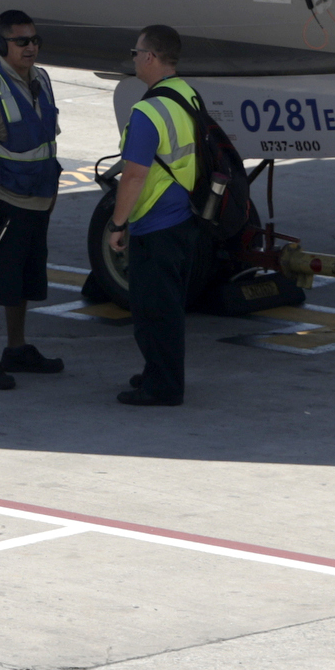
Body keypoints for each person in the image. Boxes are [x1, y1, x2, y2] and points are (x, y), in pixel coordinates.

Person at [0, 10, 63, 390]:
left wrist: (51, 191)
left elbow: (47, 139)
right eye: (22, 41)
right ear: (1, 45)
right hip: (2, 203)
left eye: (35, 40)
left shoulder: (42, 79)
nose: (31, 47)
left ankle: (17, 350)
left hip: (36, 200)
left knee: (21, 280)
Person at [110, 24, 202, 407]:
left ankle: (163, 386)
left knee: (153, 310)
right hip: (183, 217)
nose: (133, 58)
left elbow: (133, 176)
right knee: (167, 307)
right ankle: (157, 371)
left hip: (154, 222)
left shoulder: (148, 110)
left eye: (135, 52)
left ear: (149, 57)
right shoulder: (187, 94)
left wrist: (117, 224)